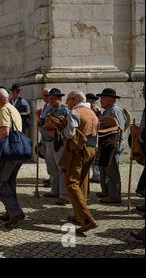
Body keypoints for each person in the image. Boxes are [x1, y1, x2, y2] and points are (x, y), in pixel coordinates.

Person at [61, 91, 99, 235]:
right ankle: (78, 215)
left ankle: (87, 219)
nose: (67, 102)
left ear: (76, 100)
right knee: (82, 181)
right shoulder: (93, 113)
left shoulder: (75, 112)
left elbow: (70, 133)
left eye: (68, 99)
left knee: (71, 182)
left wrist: (61, 131)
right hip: (91, 150)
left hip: (78, 151)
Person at [0, 88, 25, 228]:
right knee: (9, 182)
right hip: (17, 152)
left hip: (8, 152)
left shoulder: (4, 110)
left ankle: (15, 212)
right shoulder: (13, 108)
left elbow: (5, 132)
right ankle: (10, 211)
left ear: (1, 99)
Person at [96, 88, 126, 204]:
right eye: (101, 98)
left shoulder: (115, 110)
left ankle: (115, 196)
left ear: (111, 100)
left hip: (113, 144)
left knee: (112, 171)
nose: (101, 100)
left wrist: (116, 144)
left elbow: (120, 128)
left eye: (103, 98)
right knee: (104, 169)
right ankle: (107, 191)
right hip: (105, 144)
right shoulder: (107, 110)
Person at [41, 88, 69, 205]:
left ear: (59, 98)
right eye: (49, 98)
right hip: (48, 141)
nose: (50, 100)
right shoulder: (48, 108)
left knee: (61, 168)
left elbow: (66, 126)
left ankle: (64, 195)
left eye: (53, 98)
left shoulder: (64, 110)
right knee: (51, 168)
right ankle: (54, 190)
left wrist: (52, 126)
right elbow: (43, 123)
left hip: (59, 142)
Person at [86, 93, 103, 183]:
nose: (93, 102)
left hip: (95, 135)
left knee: (95, 156)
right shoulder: (86, 109)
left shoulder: (97, 109)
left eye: (93, 100)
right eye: (91, 100)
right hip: (89, 136)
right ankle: (95, 174)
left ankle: (97, 175)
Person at [37, 88, 51, 187]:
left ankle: (54, 180)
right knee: (47, 159)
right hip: (44, 136)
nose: (44, 98)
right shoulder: (45, 106)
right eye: (43, 95)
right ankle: (51, 177)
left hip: (50, 137)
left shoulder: (51, 107)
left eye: (46, 95)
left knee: (52, 160)